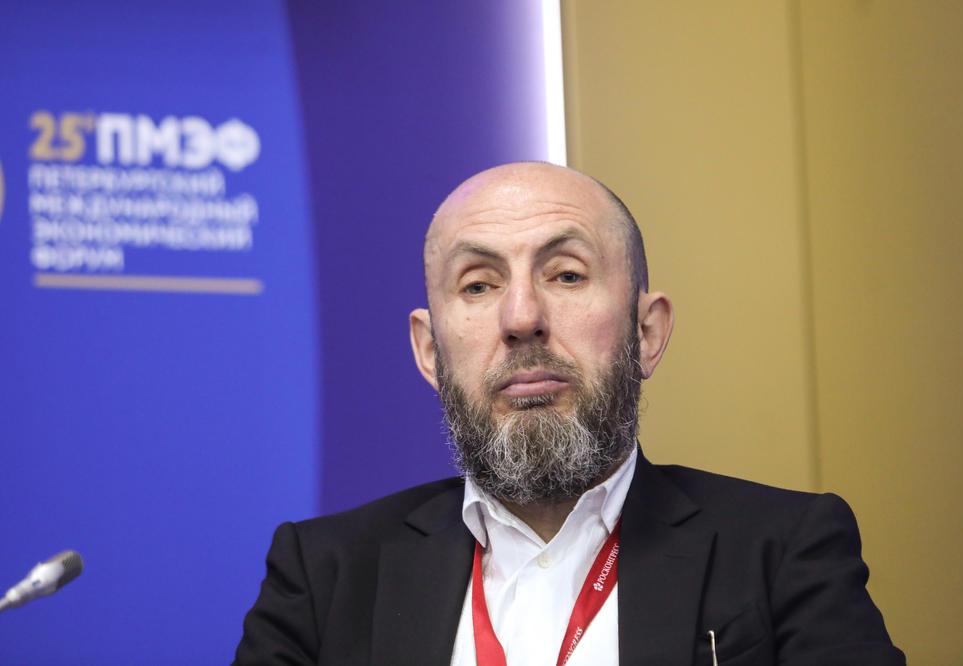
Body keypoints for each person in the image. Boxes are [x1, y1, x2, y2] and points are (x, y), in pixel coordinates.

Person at [234, 162, 904, 665]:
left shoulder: (783, 550)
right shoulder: (323, 575)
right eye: (478, 284)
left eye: (566, 275)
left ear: (646, 331)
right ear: (430, 351)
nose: (522, 317)